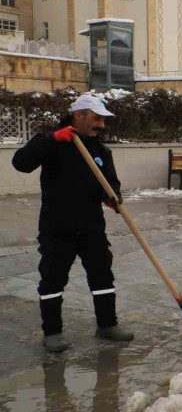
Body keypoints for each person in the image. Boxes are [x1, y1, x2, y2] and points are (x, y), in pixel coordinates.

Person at [12, 94, 134, 353]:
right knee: (53, 280)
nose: (101, 124)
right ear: (79, 115)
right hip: (57, 228)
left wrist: (113, 197)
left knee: (102, 276)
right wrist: (51, 139)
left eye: (102, 119)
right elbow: (20, 163)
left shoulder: (101, 151)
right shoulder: (52, 142)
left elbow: (109, 182)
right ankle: (52, 332)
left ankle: (107, 325)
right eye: (96, 118)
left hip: (92, 227)